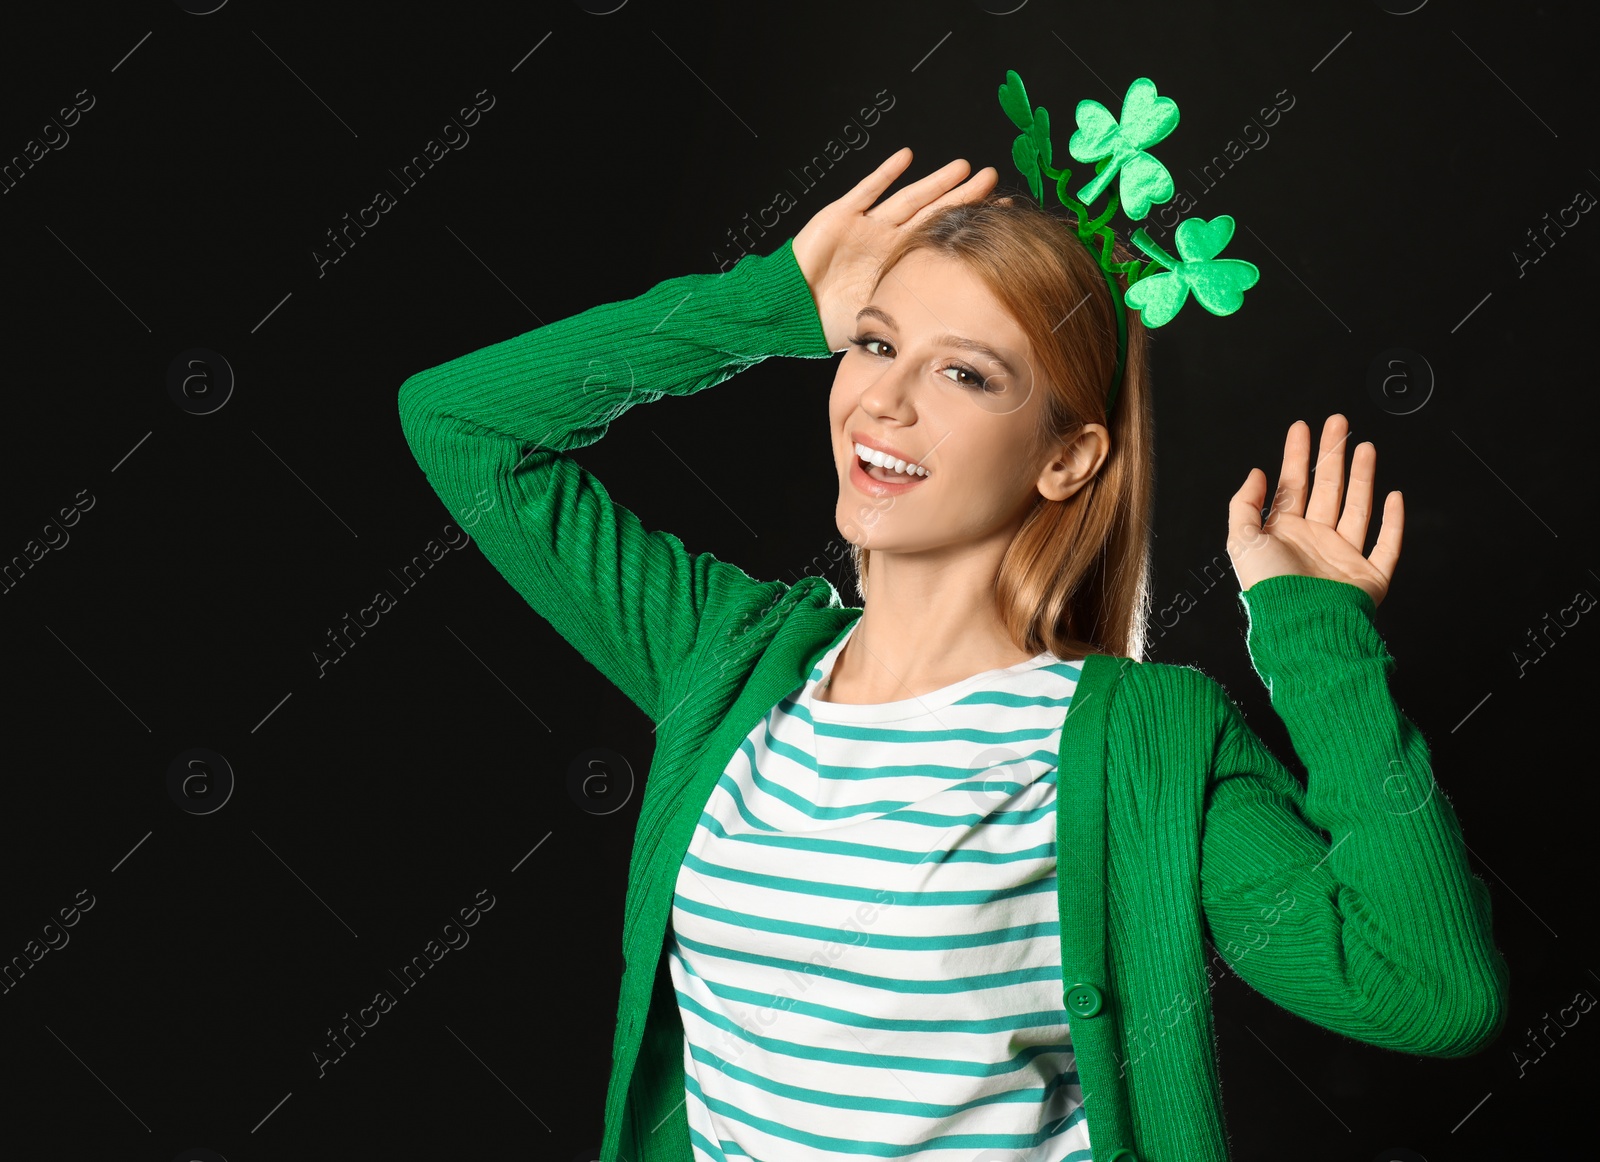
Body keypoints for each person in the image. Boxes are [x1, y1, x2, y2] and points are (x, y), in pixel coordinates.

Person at [398, 148, 1509, 1162]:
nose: (881, 398)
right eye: (875, 344)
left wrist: (1315, 636)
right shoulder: (726, 656)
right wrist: (767, 307)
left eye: (962, 374)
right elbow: (458, 423)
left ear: (1069, 458)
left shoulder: (1139, 743)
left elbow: (1429, 990)